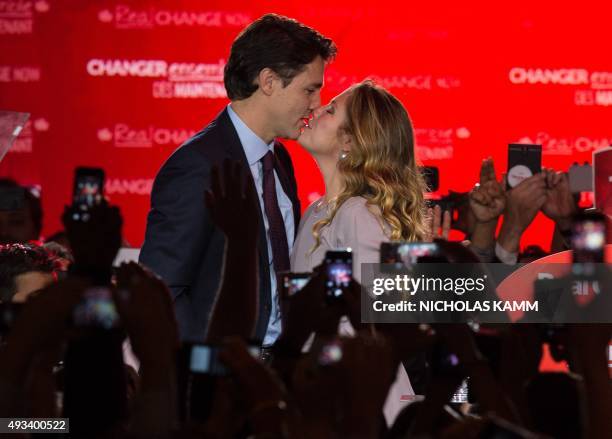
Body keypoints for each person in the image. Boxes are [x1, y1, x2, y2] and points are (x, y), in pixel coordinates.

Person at [139, 14, 336, 344]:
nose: (316, 105)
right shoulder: (198, 166)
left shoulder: (280, 161)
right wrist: (208, 366)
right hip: (221, 376)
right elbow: (162, 289)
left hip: (277, 369)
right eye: (309, 89)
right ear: (269, 81)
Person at [290, 80, 433, 425]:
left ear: (350, 142)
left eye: (331, 110)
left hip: (358, 398)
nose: (316, 109)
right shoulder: (319, 210)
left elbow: (374, 321)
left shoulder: (358, 212)